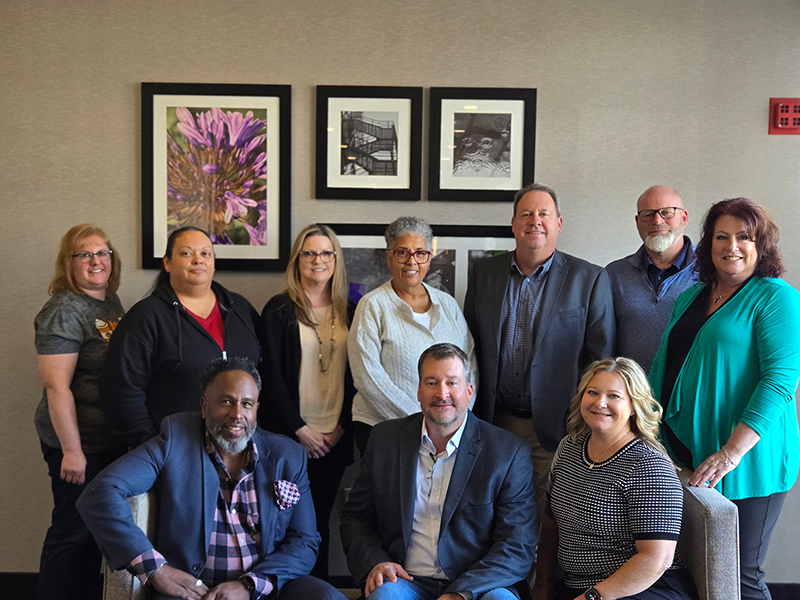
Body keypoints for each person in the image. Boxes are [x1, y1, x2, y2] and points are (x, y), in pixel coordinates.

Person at [78, 357, 346, 600]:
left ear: (256, 409)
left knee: (326, 597)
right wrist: (155, 569)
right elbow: (102, 491)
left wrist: (249, 585)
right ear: (204, 406)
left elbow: (305, 540)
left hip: (266, 588)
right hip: (192, 592)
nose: (237, 414)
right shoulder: (175, 439)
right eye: (226, 401)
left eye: (247, 404)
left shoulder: (287, 456)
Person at [649, 198, 800, 600]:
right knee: (704, 572)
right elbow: (662, 366)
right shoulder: (690, 296)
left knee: (740, 576)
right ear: (707, 244)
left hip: (747, 460)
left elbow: (780, 381)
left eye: (743, 236)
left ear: (760, 244)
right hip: (688, 455)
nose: (731, 246)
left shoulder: (776, 298)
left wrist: (730, 453)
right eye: (721, 236)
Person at [464, 183, 615, 515]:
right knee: (488, 511)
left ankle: (541, 572)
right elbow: (469, 346)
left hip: (554, 426)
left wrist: (581, 420)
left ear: (558, 223)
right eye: (526, 214)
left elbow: (600, 360)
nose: (535, 221)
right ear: (514, 223)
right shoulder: (484, 273)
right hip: (493, 421)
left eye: (543, 214)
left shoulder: (588, 278)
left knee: (548, 519)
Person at [341, 343, 536, 600]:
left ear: (469, 391)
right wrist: (376, 562)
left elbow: (517, 544)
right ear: (419, 391)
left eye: (452, 383)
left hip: (479, 585)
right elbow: (356, 517)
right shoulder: (384, 440)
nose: (442, 393)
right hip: (403, 580)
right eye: (431, 383)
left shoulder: (509, 452)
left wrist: (461, 592)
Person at [533, 358, 697, 600]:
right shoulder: (568, 447)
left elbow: (656, 559)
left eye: (614, 396)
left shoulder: (649, 465)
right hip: (577, 587)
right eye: (593, 392)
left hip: (644, 589)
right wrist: (543, 583)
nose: (600, 403)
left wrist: (592, 598)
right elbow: (550, 521)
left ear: (633, 406)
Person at [101, 226, 261, 447]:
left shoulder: (241, 309)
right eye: (187, 253)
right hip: (176, 450)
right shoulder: (145, 317)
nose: (198, 260)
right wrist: (155, 447)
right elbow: (122, 392)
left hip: (240, 448)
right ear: (167, 262)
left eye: (206, 253)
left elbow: (263, 375)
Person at [34, 224, 127, 600]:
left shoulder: (109, 302)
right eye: (84, 254)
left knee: (93, 531)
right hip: (75, 444)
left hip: (104, 442)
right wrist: (72, 451)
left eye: (102, 252)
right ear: (68, 263)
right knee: (71, 532)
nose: (95, 261)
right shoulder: (63, 309)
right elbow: (57, 386)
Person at [259, 223, 356, 580]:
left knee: (318, 525)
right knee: (283, 525)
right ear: (298, 260)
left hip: (335, 438)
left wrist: (340, 429)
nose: (318, 260)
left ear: (336, 259)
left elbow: (359, 378)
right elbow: (268, 378)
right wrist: (299, 430)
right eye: (309, 253)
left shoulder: (353, 309)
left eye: (326, 253)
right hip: (288, 439)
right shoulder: (278, 310)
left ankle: (316, 589)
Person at [348, 216, 476, 455]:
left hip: (447, 432)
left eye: (420, 253)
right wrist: (422, 422)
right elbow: (367, 377)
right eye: (402, 253)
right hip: (385, 429)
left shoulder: (447, 305)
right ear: (389, 257)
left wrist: (458, 417)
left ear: (429, 257)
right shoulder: (372, 306)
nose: (412, 261)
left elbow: (469, 365)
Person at [606, 185, 698, 372]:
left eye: (667, 212)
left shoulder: (711, 272)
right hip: (631, 395)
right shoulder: (613, 275)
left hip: (690, 395)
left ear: (684, 218)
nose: (657, 220)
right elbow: (605, 344)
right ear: (637, 221)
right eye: (648, 214)